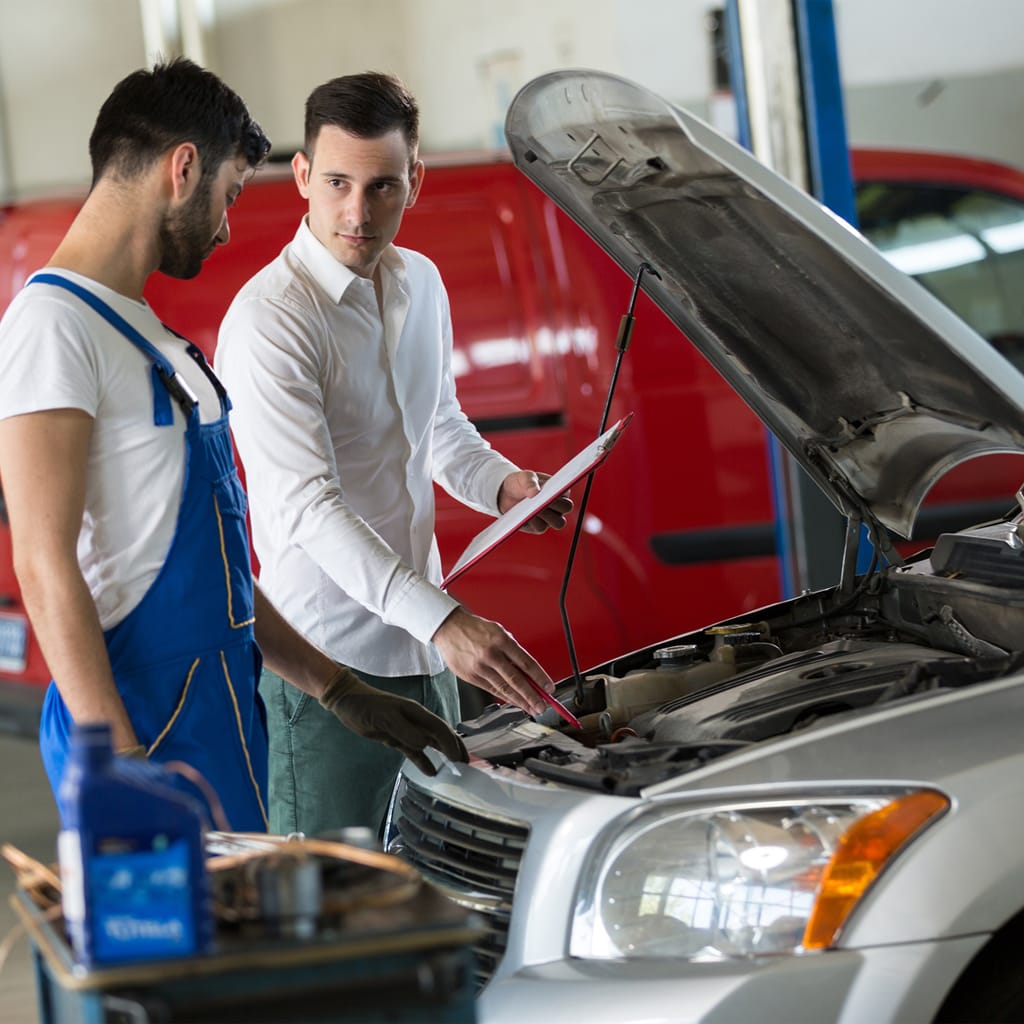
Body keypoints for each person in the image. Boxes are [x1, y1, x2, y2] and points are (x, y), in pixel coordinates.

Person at [0, 59, 467, 834]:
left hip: (216, 706)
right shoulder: (52, 328)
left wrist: (334, 687)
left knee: (265, 944)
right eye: (231, 194)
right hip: (139, 721)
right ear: (183, 169)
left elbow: (220, 571)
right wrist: (115, 763)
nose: (225, 226)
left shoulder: (146, 333)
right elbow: (43, 566)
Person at [215, 71, 572, 836]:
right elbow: (307, 506)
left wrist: (505, 487)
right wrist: (444, 619)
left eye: (381, 186)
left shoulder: (421, 283)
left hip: (422, 653)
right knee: (336, 913)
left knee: (433, 878)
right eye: (337, 182)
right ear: (303, 176)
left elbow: (438, 425)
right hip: (328, 668)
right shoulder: (269, 321)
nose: (357, 211)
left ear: (414, 178)